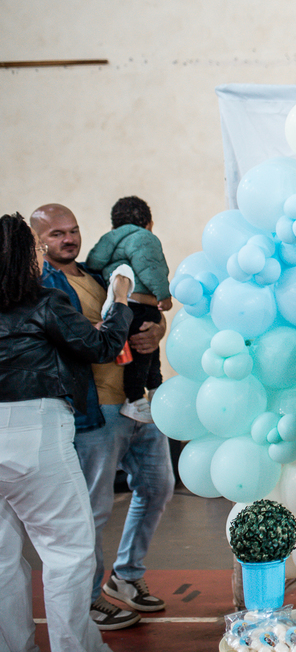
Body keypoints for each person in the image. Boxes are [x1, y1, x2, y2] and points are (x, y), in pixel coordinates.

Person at [32, 203, 172, 630]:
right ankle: (89, 599)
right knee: (92, 510)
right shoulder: (43, 285)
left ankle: (125, 577)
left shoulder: (98, 273)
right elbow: (74, 338)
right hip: (94, 410)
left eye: (73, 230)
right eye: (56, 234)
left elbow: (139, 312)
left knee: (158, 488)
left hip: (138, 402)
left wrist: (156, 331)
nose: (68, 239)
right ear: (39, 241)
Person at [0, 212, 133, 651]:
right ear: (25, 256)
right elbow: (103, 346)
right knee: (67, 552)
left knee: (1, 561)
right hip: (33, 430)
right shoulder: (44, 301)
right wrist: (120, 298)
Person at [85, 196, 173, 424]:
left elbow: (93, 262)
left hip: (121, 304)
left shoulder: (109, 240)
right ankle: (136, 399)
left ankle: (153, 389)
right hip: (141, 305)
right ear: (149, 223)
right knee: (144, 353)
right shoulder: (145, 238)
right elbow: (153, 269)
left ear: (113, 226)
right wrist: (164, 296)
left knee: (145, 348)